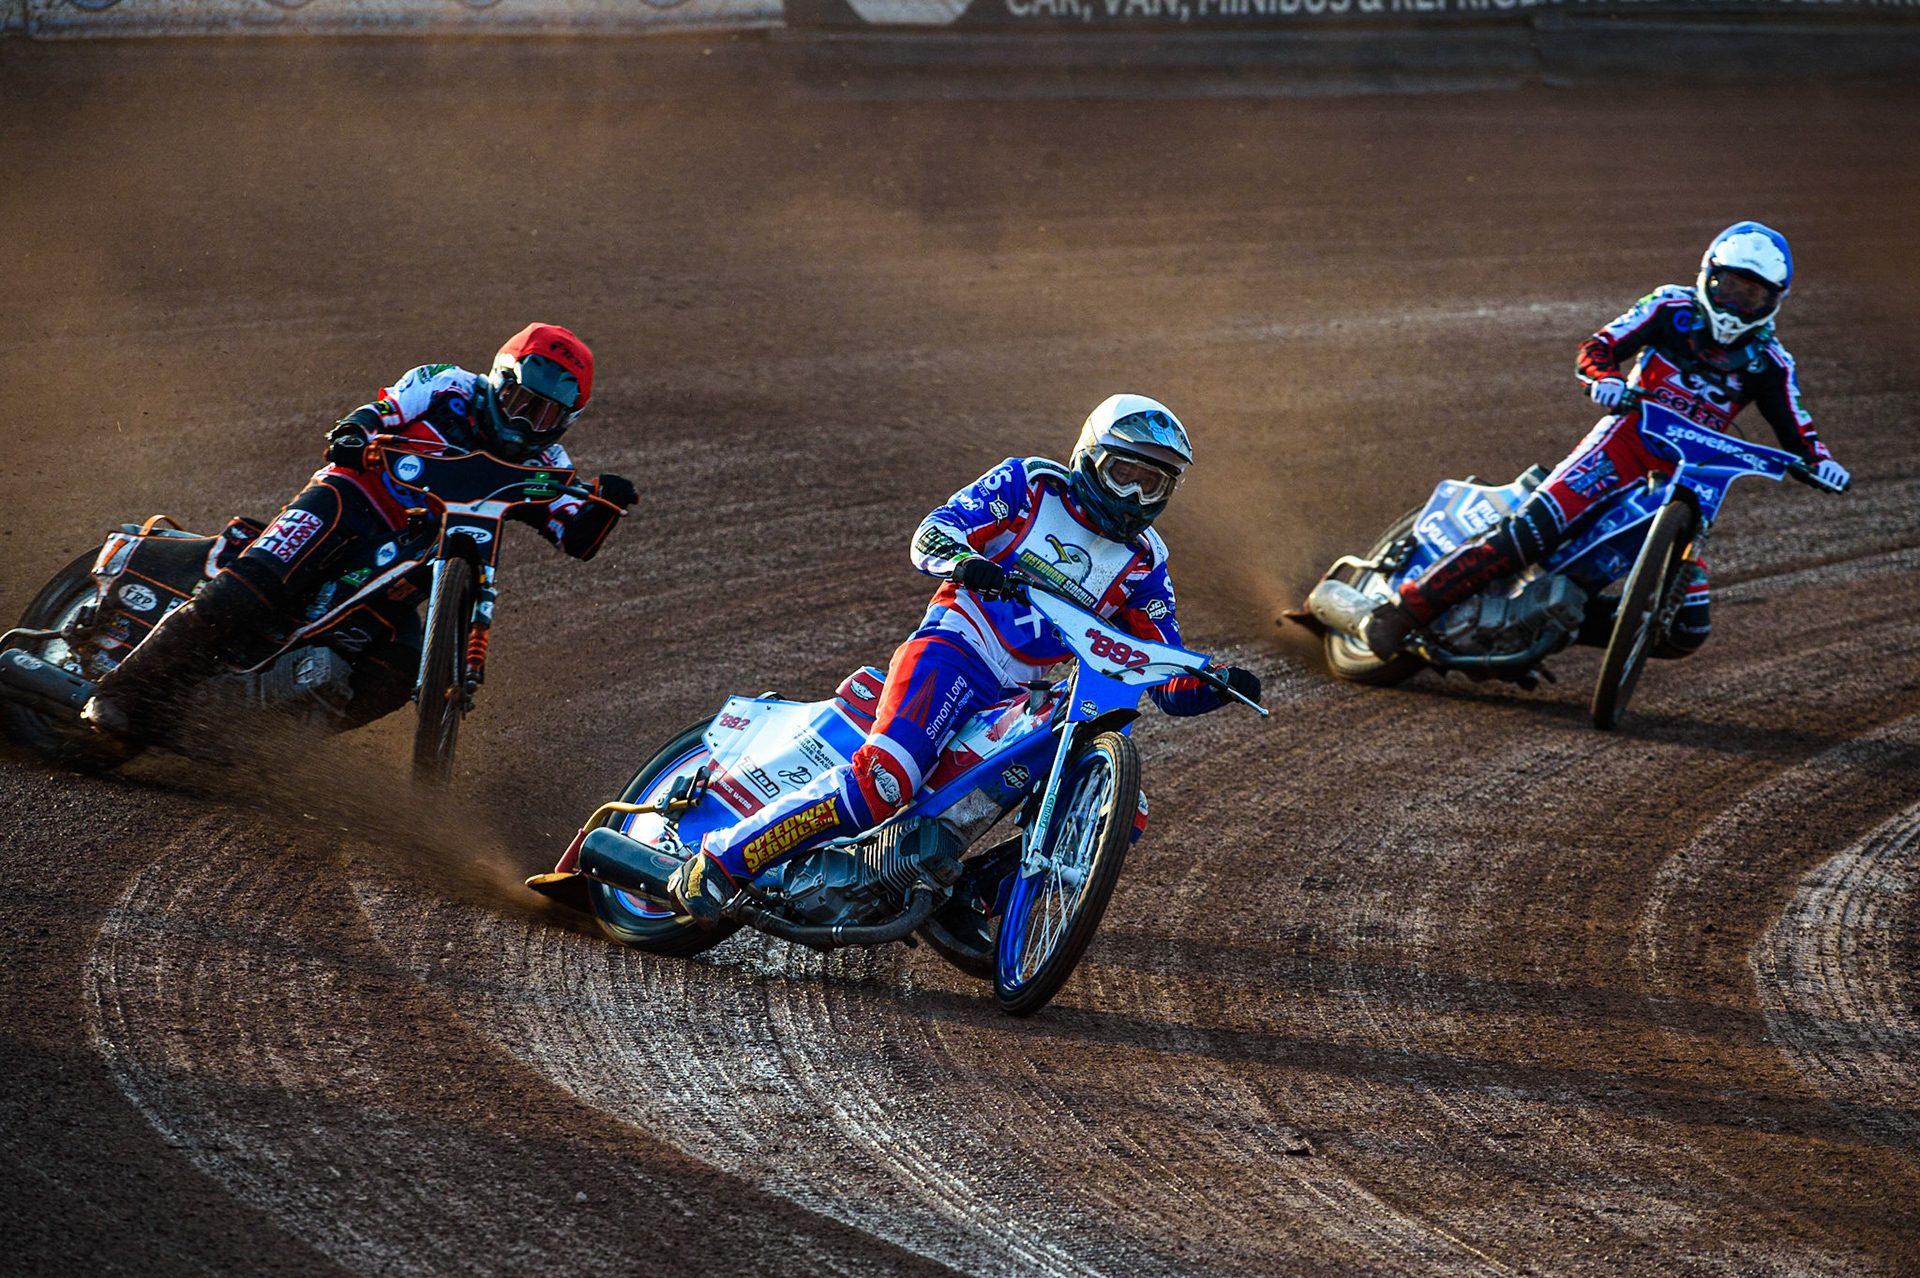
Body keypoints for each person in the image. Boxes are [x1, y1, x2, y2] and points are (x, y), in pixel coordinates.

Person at [666, 393, 1262, 926]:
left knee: (1119, 808)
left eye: (1152, 484)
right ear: (1088, 457)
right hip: (953, 650)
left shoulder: (1145, 558)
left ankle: (974, 894)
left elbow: (1164, 667)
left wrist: (1214, 681)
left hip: (1022, 695)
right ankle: (724, 859)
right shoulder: (1030, 484)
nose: (1134, 495)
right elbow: (933, 532)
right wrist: (965, 560)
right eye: (1123, 473)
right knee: (886, 780)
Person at [82, 323, 638, 744]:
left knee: (396, 673)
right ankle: (122, 691)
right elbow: (383, 410)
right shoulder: (446, 384)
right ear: (497, 380)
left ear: (566, 421)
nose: (523, 422)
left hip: (409, 565)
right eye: (518, 400)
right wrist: (357, 430)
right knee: (254, 589)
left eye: (542, 416)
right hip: (350, 502)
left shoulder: (550, 463)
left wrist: (605, 503)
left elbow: (576, 536)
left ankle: (259, 743)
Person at [1363, 221, 1851, 661]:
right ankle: (1404, 611)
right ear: (1709, 276)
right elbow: (1598, 347)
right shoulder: (1668, 307)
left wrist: (1821, 463)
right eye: (1731, 289)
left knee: (1687, 628)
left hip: (1692, 478)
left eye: (1754, 297)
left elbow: (1798, 428)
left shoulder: (1773, 363)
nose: (1738, 305)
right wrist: (1603, 379)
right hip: (1624, 442)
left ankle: (1551, 619)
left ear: (1774, 303)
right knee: (1531, 533)